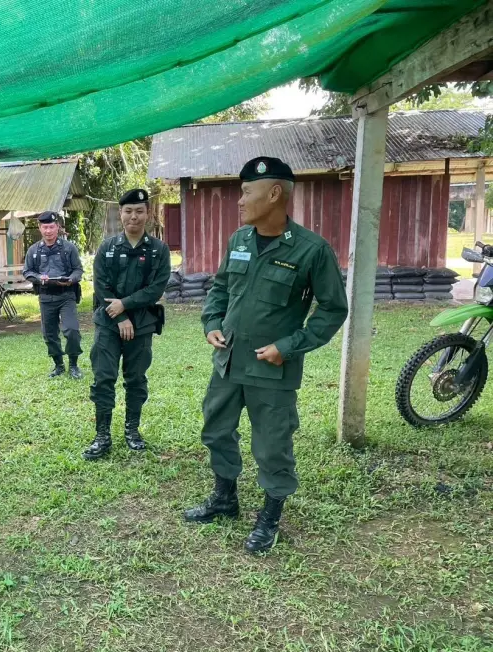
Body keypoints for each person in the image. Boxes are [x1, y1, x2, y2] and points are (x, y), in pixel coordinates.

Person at [183, 157, 348, 553]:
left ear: (274, 194)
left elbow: (333, 309)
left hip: (271, 369)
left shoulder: (311, 250)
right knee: (216, 430)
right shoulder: (239, 240)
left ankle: (270, 516)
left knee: (272, 445)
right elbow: (220, 288)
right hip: (228, 361)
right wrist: (212, 322)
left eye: (246, 192)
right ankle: (225, 498)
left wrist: (287, 347)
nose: (240, 200)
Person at [85, 189, 170, 459]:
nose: (134, 216)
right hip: (108, 324)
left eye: (139, 211)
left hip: (142, 325)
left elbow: (156, 289)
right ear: (120, 214)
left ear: (148, 214)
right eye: (128, 211)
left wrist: (125, 305)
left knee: (136, 379)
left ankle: (132, 430)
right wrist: (120, 316)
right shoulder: (107, 248)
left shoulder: (158, 250)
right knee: (103, 378)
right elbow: (101, 286)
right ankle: (102, 435)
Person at [22, 211, 84, 379]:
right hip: (46, 296)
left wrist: (71, 280)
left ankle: (74, 365)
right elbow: (27, 271)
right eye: (45, 227)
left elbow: (78, 270)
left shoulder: (68, 248)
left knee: (72, 330)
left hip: (66, 295)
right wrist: (38, 278)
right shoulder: (34, 250)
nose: (48, 231)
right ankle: (58, 365)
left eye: (51, 227)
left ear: (58, 227)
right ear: (40, 228)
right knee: (49, 334)